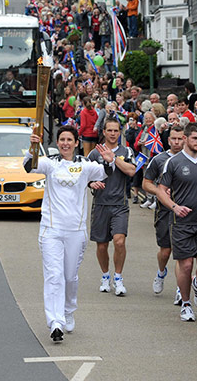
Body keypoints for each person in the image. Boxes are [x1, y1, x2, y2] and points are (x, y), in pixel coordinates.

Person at [24, 126, 113, 343]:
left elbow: (105, 172)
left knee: (70, 276)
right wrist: (32, 147)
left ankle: (68, 309)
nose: (65, 143)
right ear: (57, 142)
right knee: (54, 276)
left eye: (69, 140)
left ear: (76, 143)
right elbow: (29, 167)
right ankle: (55, 322)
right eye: (61, 139)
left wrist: (110, 161)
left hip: (76, 230)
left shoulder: (84, 165)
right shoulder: (50, 163)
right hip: (51, 230)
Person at [156, 123, 197, 321]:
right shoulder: (173, 162)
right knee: (185, 265)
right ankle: (185, 303)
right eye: (195, 138)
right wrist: (174, 207)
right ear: (185, 138)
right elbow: (160, 190)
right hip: (181, 222)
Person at [87, 117, 137, 296]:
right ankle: (105, 275)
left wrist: (114, 158)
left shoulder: (126, 151)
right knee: (101, 245)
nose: (113, 134)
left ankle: (118, 277)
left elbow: (132, 170)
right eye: (110, 130)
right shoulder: (94, 154)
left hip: (119, 204)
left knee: (119, 241)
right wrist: (92, 183)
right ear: (104, 132)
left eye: (116, 130)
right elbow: (86, 177)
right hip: (100, 204)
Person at [143, 125, 184, 296]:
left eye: (180, 138)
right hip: (164, 211)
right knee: (166, 251)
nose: (177, 142)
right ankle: (161, 272)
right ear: (168, 140)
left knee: (181, 253)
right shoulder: (159, 160)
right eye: (173, 138)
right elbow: (146, 183)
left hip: (185, 212)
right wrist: (160, 191)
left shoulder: (192, 159)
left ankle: (181, 290)